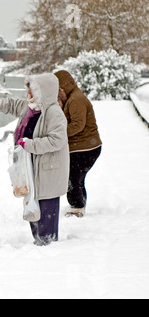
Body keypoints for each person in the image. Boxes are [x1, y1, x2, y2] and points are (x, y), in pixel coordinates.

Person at [0, 73, 69, 246]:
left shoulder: (54, 113)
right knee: (32, 205)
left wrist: (30, 144)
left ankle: (49, 246)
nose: (28, 92)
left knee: (46, 208)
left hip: (47, 170)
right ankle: (38, 242)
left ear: (42, 91)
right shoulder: (31, 107)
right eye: (29, 88)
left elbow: (57, 141)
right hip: (29, 166)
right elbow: (12, 103)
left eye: (32, 89)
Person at [54, 70, 102, 218]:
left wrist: (57, 135)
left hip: (86, 148)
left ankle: (77, 208)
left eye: (58, 90)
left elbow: (77, 125)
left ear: (65, 86)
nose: (57, 93)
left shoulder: (76, 99)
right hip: (84, 147)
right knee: (77, 178)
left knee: (72, 178)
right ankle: (79, 205)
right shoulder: (71, 99)